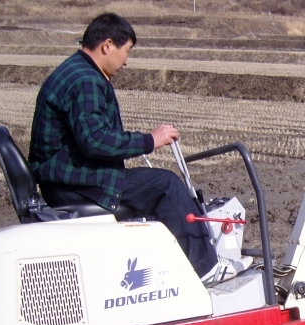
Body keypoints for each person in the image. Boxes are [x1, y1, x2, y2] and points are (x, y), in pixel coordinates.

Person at [28, 13, 248, 282]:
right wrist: (150, 141)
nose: (127, 61)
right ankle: (207, 269)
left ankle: (176, 266)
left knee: (155, 186)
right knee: (165, 186)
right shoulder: (86, 80)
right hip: (75, 185)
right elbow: (95, 140)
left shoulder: (74, 71)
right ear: (107, 45)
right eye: (126, 50)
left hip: (68, 180)